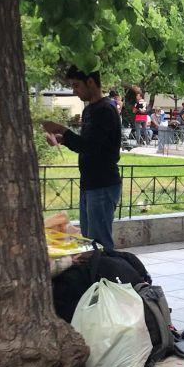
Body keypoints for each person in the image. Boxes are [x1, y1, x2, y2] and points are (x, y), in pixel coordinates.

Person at [43, 67, 122, 250]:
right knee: (88, 242)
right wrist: (62, 140)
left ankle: (106, 268)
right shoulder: (90, 110)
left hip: (102, 184)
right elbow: (85, 144)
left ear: (91, 82)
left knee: (99, 244)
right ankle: (95, 268)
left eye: (76, 85)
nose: (74, 91)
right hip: (90, 183)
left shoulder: (105, 110)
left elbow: (90, 147)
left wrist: (62, 129)